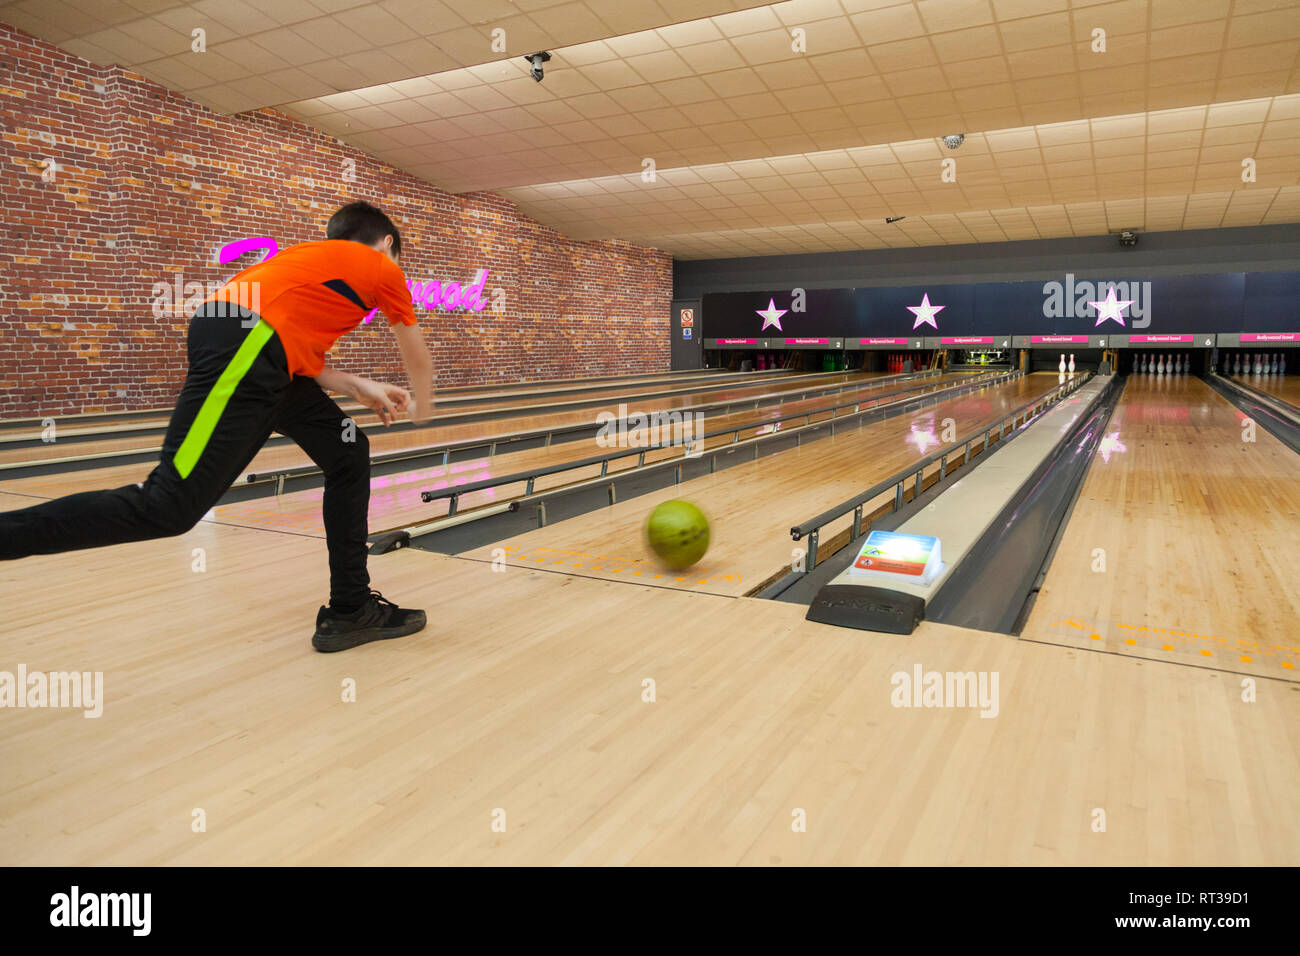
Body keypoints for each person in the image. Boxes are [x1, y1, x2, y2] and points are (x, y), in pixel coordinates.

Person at [0, 201, 435, 653]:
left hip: (255, 347)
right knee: (167, 506)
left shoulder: (305, 262)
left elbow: (286, 344)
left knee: (347, 452)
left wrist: (352, 384)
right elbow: (416, 354)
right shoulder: (380, 266)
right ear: (387, 243)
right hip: (248, 345)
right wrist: (424, 407)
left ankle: (351, 608)